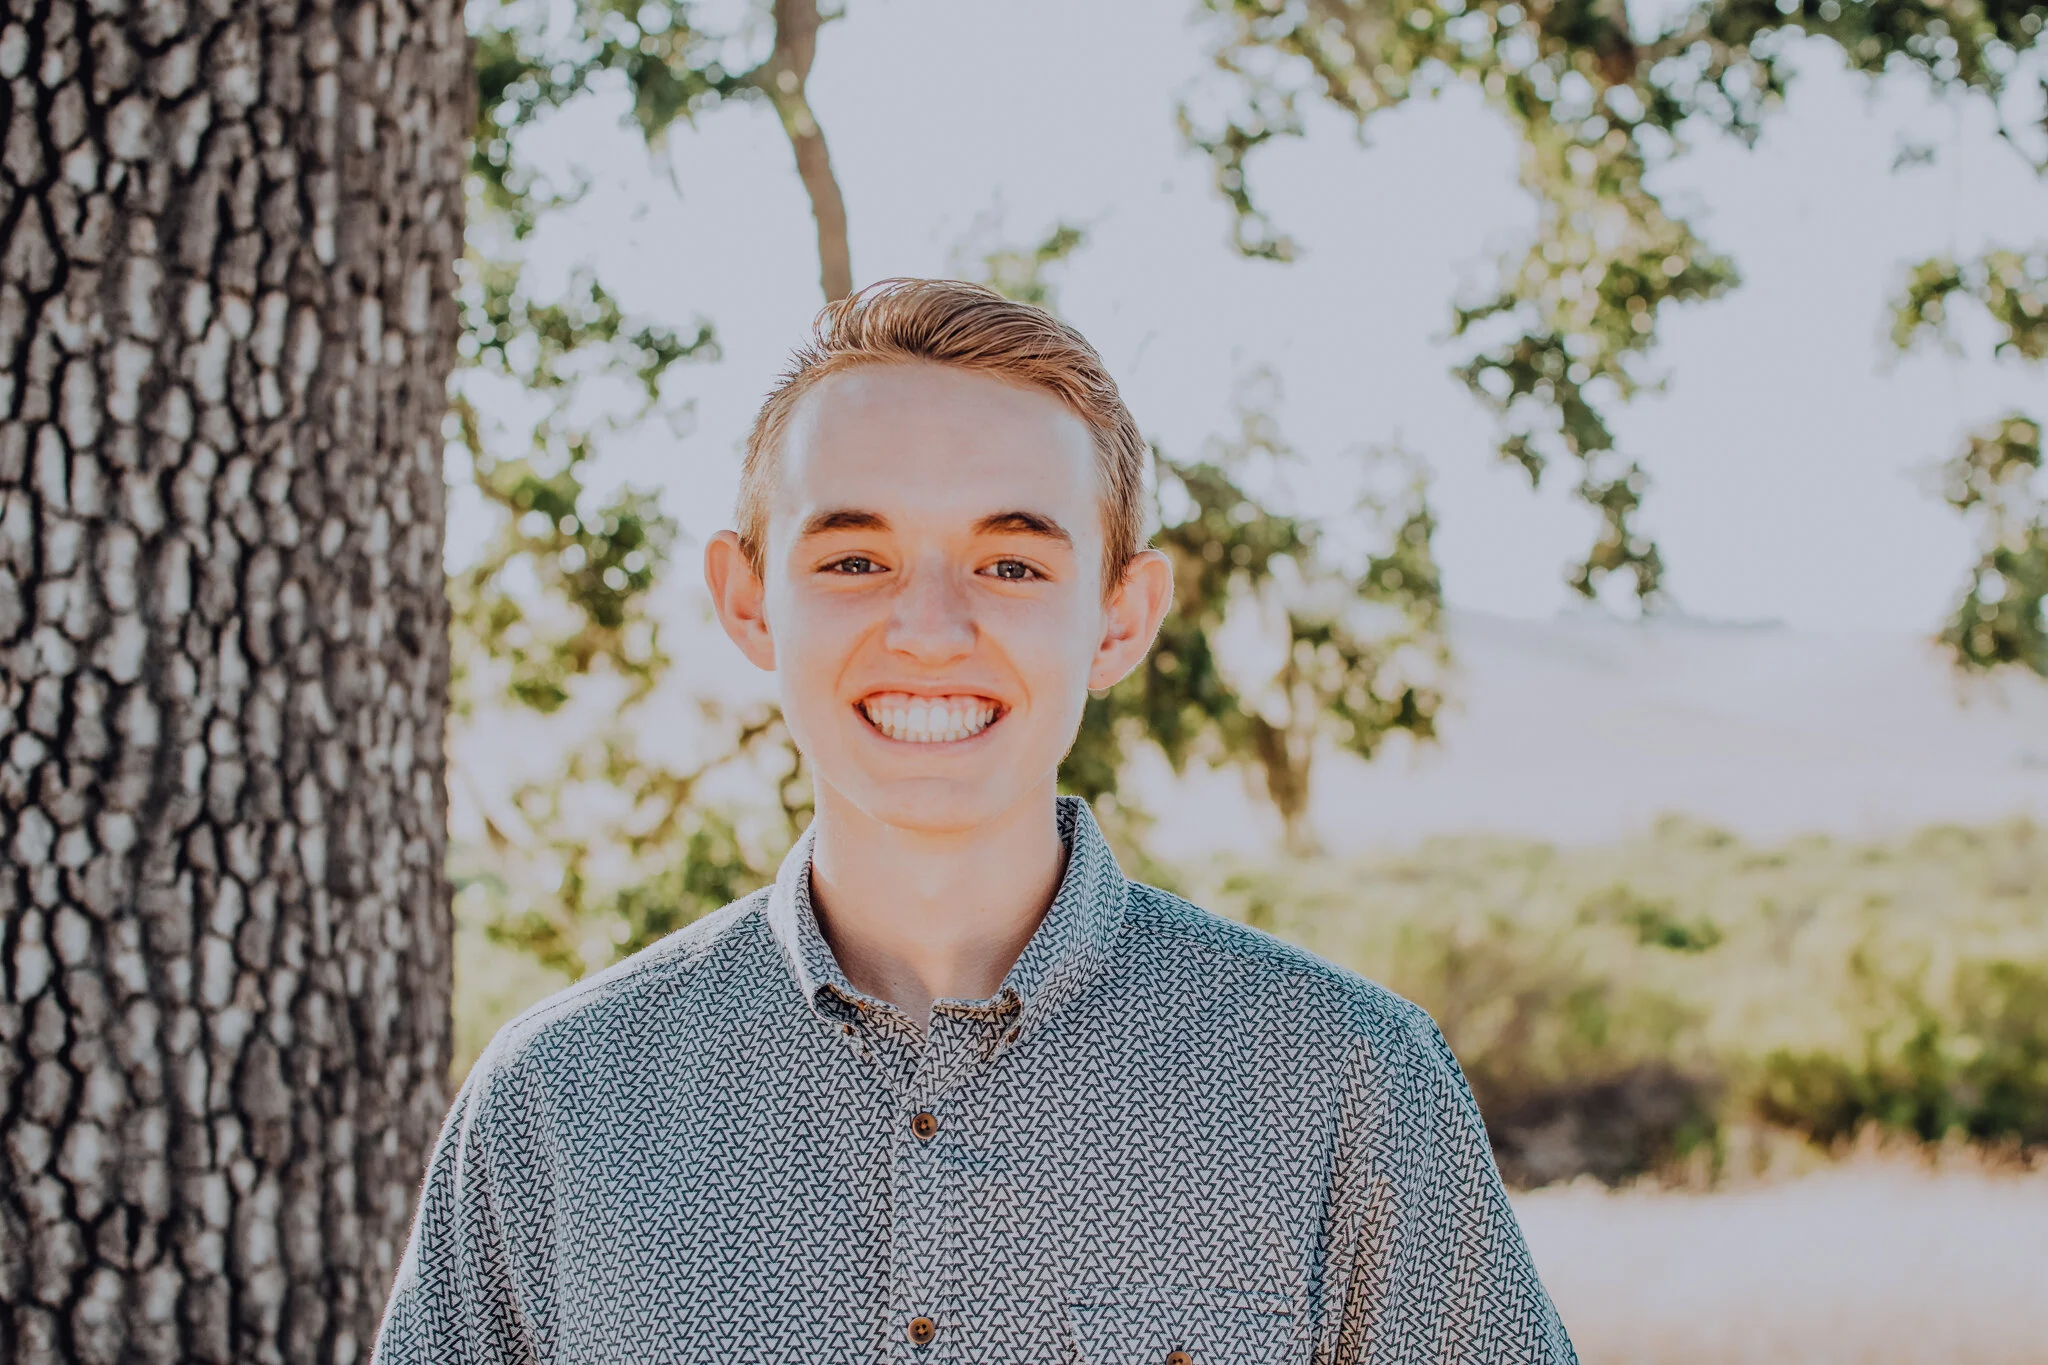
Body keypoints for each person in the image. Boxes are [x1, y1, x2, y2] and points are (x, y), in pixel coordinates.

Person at [374, 279, 1577, 1363]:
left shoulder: (1341, 1079)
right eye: (854, 561)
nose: (932, 629)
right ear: (748, 604)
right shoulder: (560, 1097)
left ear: (1117, 617)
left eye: (1011, 566)